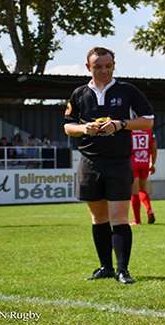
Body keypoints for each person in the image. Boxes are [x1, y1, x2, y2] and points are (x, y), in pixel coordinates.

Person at [64, 46, 154, 285]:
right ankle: (105, 267)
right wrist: (85, 128)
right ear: (88, 67)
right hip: (89, 162)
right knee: (98, 217)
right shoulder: (79, 94)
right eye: (98, 67)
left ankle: (123, 270)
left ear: (114, 66)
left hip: (119, 162)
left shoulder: (127, 91)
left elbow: (148, 121)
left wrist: (121, 124)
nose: (104, 71)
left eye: (108, 66)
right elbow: (68, 126)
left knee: (119, 217)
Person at [129, 128, 157, 225]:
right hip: (144, 162)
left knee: (134, 191)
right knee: (141, 189)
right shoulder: (149, 129)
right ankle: (149, 210)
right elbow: (154, 148)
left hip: (132, 162)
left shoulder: (129, 128)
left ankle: (137, 220)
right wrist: (152, 163)